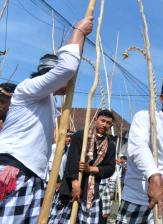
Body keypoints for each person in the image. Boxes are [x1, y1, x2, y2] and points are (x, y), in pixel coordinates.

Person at [0, 16, 93, 223]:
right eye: (63, 80)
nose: (69, 83)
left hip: (32, 176)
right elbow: (67, 68)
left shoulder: (49, 103)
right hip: (13, 170)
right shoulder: (28, 88)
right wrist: (78, 32)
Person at [116, 76, 163, 223]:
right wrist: (154, 175)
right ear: (162, 98)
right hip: (137, 200)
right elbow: (138, 148)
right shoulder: (145, 118)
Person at [48, 109, 116, 223]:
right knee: (60, 220)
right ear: (95, 120)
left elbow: (110, 168)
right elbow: (72, 161)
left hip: (91, 192)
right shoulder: (80, 136)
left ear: (111, 125)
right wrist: (75, 183)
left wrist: (91, 169)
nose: (104, 124)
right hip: (70, 187)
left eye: (108, 123)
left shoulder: (110, 145)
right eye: (102, 121)